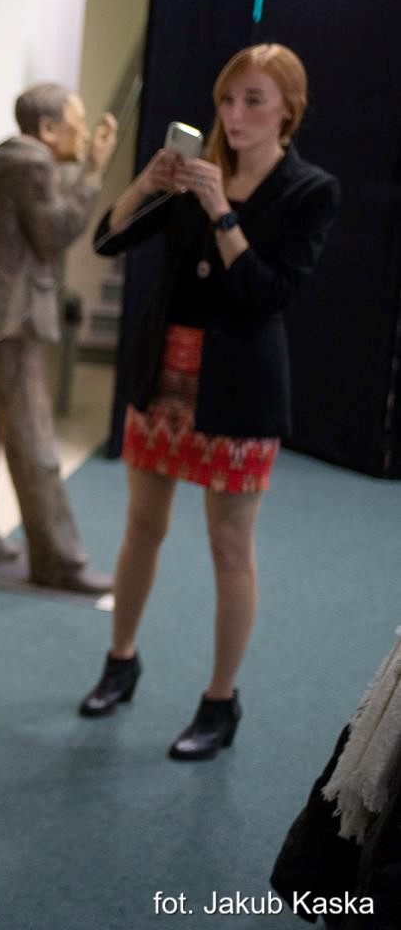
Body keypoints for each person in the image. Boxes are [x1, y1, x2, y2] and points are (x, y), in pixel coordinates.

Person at [80, 44, 340, 761]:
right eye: (227, 99)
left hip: (240, 387)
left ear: (288, 110)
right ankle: (120, 660)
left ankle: (220, 703)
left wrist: (222, 210)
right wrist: (147, 183)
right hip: (163, 372)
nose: (234, 114)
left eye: (254, 100)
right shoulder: (195, 172)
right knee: (142, 526)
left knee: (230, 547)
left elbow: (267, 294)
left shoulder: (309, 190)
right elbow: (108, 240)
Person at [0, 83, 118, 593]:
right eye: (77, 124)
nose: (83, 134)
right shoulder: (32, 164)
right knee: (33, 439)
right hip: (13, 322)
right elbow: (53, 234)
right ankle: (58, 559)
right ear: (47, 128)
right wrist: (94, 174)